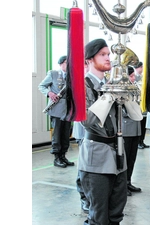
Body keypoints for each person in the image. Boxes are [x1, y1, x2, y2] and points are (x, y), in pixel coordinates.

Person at [78, 38, 131, 225]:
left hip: (118, 154)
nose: (109, 58)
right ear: (88, 60)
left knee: (117, 212)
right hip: (96, 155)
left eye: (109, 54)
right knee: (99, 216)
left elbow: (135, 115)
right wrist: (110, 94)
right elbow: (88, 120)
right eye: (103, 54)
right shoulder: (80, 85)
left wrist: (127, 92)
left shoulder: (111, 83)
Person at [38, 55, 74, 168]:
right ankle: (57, 158)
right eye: (66, 63)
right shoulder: (53, 74)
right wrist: (49, 94)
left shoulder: (71, 76)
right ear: (61, 64)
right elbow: (42, 86)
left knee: (66, 134)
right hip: (56, 108)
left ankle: (63, 155)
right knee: (57, 134)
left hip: (68, 109)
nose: (68, 65)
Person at [122, 65, 142, 196]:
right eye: (131, 75)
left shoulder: (135, 89)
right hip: (126, 128)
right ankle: (122, 185)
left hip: (135, 128)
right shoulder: (121, 90)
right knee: (124, 159)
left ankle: (128, 181)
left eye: (134, 75)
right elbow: (123, 110)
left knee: (132, 158)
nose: (134, 78)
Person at [72, 61, 90, 214]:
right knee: (83, 168)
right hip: (84, 131)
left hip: (101, 133)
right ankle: (83, 197)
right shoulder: (79, 83)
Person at [134, 61, 150, 149]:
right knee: (139, 124)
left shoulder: (143, 77)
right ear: (138, 67)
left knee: (143, 124)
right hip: (137, 104)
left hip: (143, 103)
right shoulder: (135, 77)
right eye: (142, 67)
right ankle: (138, 142)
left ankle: (142, 141)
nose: (143, 69)